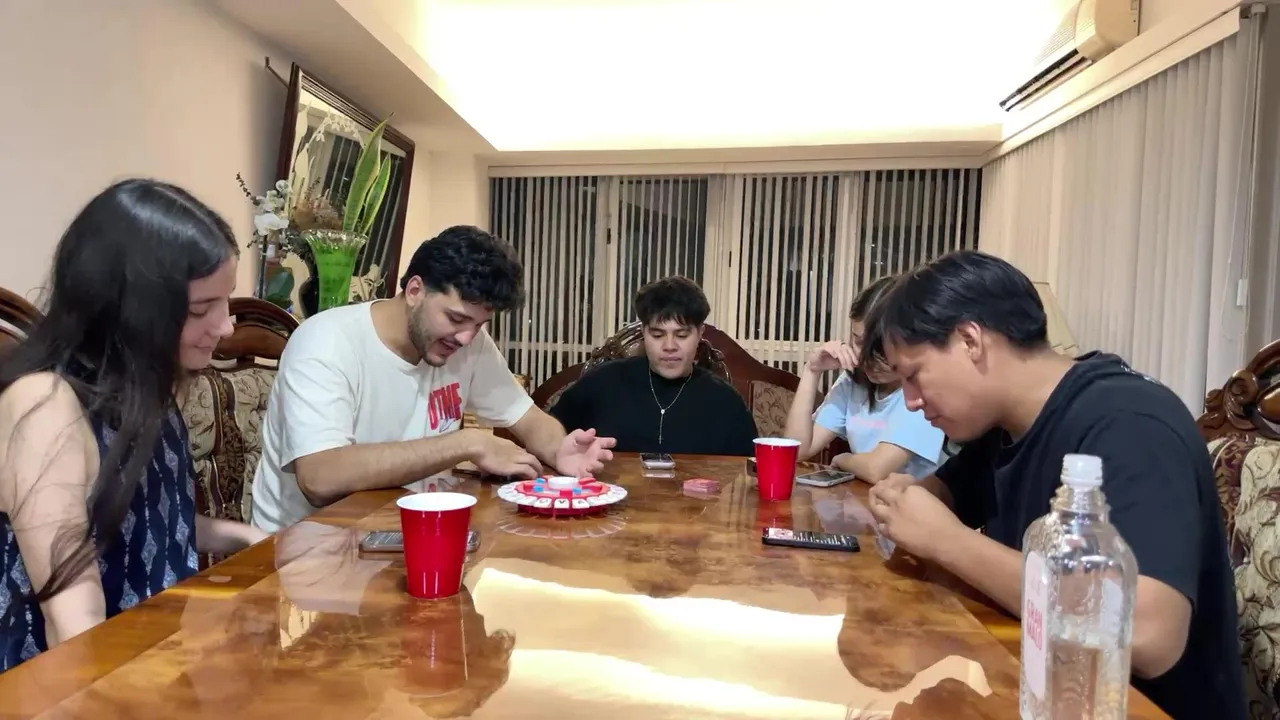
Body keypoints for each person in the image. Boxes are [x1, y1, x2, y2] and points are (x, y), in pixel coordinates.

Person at [861, 250, 1245, 719]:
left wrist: (948, 541)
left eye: (913, 375)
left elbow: (1149, 633)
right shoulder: (1004, 424)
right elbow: (937, 497)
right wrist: (907, 502)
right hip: (1036, 692)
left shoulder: (1130, 422)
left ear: (969, 340)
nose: (911, 401)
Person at [0, 179, 267, 671]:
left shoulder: (149, 386)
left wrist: (245, 537)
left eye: (226, 301)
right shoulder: (45, 407)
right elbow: (73, 626)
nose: (226, 326)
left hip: (155, 657)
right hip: (65, 683)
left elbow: (146, 520)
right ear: (128, 309)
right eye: (200, 309)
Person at [251, 225, 615, 532]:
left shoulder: (467, 344)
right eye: (456, 319)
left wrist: (558, 450)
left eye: (480, 324)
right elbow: (320, 477)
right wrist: (467, 443)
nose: (467, 338)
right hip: (303, 551)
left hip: (408, 533)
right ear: (414, 291)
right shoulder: (327, 342)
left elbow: (527, 417)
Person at [549, 276, 758, 456]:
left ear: (700, 333)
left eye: (682, 335)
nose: (669, 346)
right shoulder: (601, 383)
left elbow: (747, 474)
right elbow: (551, 437)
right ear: (644, 332)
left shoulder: (726, 402)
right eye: (657, 335)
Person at [784, 276, 945, 483]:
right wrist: (811, 370)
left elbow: (876, 470)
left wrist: (843, 459)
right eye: (859, 341)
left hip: (916, 500)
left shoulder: (921, 392)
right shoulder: (853, 382)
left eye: (879, 345)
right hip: (868, 498)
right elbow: (795, 451)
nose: (866, 357)